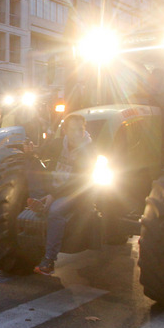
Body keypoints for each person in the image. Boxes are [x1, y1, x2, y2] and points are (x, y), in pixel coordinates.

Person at [30, 113, 96, 275]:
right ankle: (42, 200)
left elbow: (79, 182)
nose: (76, 133)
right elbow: (41, 154)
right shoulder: (59, 144)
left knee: (56, 210)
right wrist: (32, 151)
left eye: (80, 129)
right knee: (30, 170)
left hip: (76, 194)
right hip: (55, 188)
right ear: (65, 130)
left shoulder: (89, 150)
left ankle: (49, 260)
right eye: (72, 129)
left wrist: (53, 195)